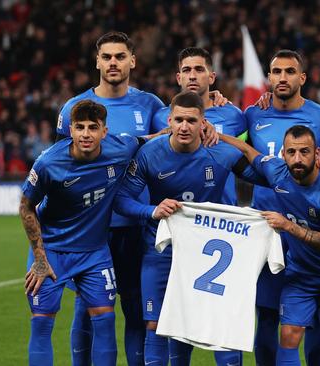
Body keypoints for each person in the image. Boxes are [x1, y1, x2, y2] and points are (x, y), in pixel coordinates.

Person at [113, 91, 264, 366]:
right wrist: (152, 211)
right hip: (161, 251)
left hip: (206, 254)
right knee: (155, 325)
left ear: (203, 123)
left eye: (191, 121)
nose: (184, 127)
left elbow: (265, 176)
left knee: (221, 322)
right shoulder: (149, 154)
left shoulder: (221, 153)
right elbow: (121, 200)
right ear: (169, 120)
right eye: (179, 120)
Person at [55, 31, 165, 366]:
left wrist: (212, 98)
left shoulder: (151, 105)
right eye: (107, 57)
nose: (113, 63)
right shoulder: (75, 108)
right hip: (90, 228)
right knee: (87, 309)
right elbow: (61, 165)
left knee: (135, 306)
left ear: (133, 60)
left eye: (120, 56)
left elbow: (182, 125)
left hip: (134, 223)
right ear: (97, 61)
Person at [20, 100, 156, 366]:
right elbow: (26, 207)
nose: (85, 134)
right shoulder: (48, 162)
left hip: (95, 253)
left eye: (93, 128)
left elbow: (146, 138)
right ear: (70, 129)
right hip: (52, 253)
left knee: (105, 320)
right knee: (42, 321)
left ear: (104, 132)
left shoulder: (120, 148)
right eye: (79, 127)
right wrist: (39, 257)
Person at [220, 126, 320, 366]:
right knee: (288, 335)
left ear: (317, 153)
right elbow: (246, 149)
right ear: (283, 154)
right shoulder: (277, 172)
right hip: (302, 273)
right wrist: (212, 134)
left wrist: (288, 226)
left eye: (304, 152)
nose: (297, 159)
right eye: (291, 152)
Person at [245, 49, 320, 366]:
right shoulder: (252, 116)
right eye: (277, 72)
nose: (283, 77)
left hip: (308, 228)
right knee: (268, 313)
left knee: (312, 313)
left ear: (302, 78)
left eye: (290, 71)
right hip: (267, 229)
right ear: (269, 78)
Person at [154, 46, 243, 206]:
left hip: (224, 214)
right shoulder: (160, 117)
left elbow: (246, 153)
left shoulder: (233, 115)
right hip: (176, 213)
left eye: (199, 70)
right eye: (187, 70)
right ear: (178, 78)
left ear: (212, 77)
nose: (192, 76)